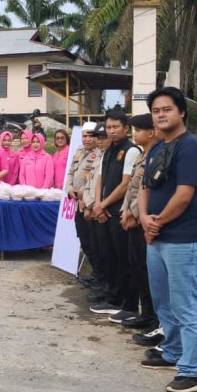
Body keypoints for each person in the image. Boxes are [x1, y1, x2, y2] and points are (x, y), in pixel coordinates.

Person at [138, 86, 197, 392]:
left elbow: (184, 196)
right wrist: (143, 218)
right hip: (156, 237)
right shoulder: (156, 148)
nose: (161, 115)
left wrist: (157, 223)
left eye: (167, 109)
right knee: (163, 300)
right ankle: (172, 352)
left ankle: (192, 371)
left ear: (182, 112)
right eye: (156, 111)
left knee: (185, 304)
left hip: (182, 238)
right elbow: (145, 188)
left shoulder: (190, 147)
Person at [89, 111, 139, 320]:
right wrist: (99, 205)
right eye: (108, 127)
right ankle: (113, 296)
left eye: (115, 127)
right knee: (108, 256)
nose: (111, 131)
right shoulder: (108, 151)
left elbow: (125, 184)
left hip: (120, 213)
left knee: (123, 259)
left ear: (126, 128)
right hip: (105, 212)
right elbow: (101, 178)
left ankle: (128, 303)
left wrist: (104, 204)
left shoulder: (131, 151)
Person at [119, 113, 160, 333]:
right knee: (137, 269)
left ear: (151, 132)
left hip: (141, 221)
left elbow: (147, 191)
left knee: (147, 272)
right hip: (132, 217)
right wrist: (126, 210)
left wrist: (134, 214)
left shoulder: (155, 156)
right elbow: (131, 189)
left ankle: (154, 318)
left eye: (138, 130)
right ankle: (145, 314)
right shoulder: (141, 156)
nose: (135, 134)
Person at [81, 123, 110, 305]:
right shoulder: (96, 155)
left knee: (106, 252)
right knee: (94, 246)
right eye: (96, 137)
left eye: (101, 137)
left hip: (101, 210)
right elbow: (88, 182)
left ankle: (108, 288)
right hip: (89, 205)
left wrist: (93, 205)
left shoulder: (110, 156)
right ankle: (101, 282)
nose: (98, 141)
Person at [67, 123, 98, 291]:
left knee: (94, 242)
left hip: (90, 205)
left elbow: (94, 183)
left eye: (90, 135)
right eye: (84, 136)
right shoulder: (79, 152)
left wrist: (85, 198)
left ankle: (99, 275)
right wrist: (69, 189)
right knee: (84, 239)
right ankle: (96, 273)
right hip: (77, 203)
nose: (87, 139)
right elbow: (70, 174)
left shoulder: (99, 154)